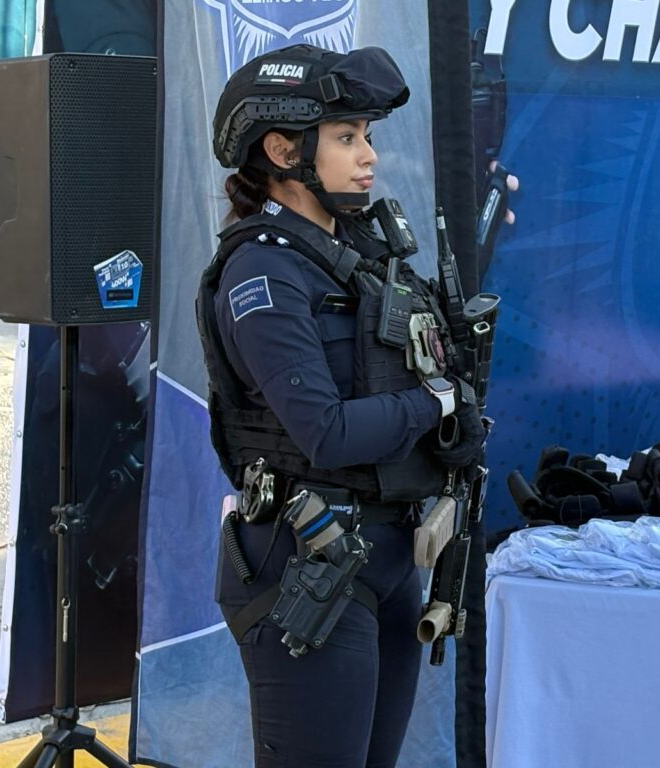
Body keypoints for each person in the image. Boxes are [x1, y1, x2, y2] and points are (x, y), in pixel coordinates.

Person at [198, 44, 485, 767]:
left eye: (368, 136)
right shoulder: (262, 270)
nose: (369, 156)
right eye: (347, 137)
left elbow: (408, 388)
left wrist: (452, 423)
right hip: (307, 564)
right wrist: (437, 403)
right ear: (283, 151)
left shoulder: (362, 259)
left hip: (388, 560)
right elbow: (323, 432)